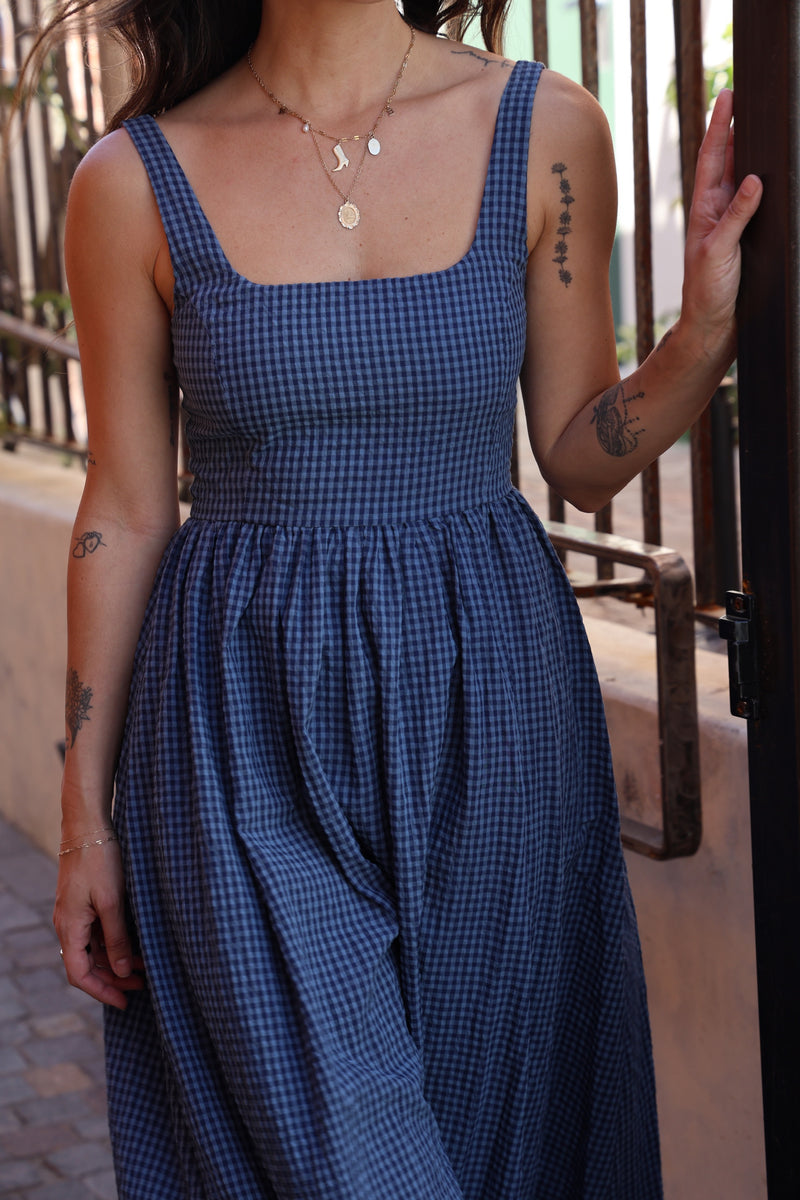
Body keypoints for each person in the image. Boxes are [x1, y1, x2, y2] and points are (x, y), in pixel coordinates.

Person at [36, 0, 760, 1194]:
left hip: (493, 715)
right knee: (339, 1156)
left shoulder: (545, 130)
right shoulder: (128, 181)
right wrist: (84, 818)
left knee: (498, 1144)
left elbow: (578, 457)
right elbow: (122, 505)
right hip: (238, 733)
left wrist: (700, 332)